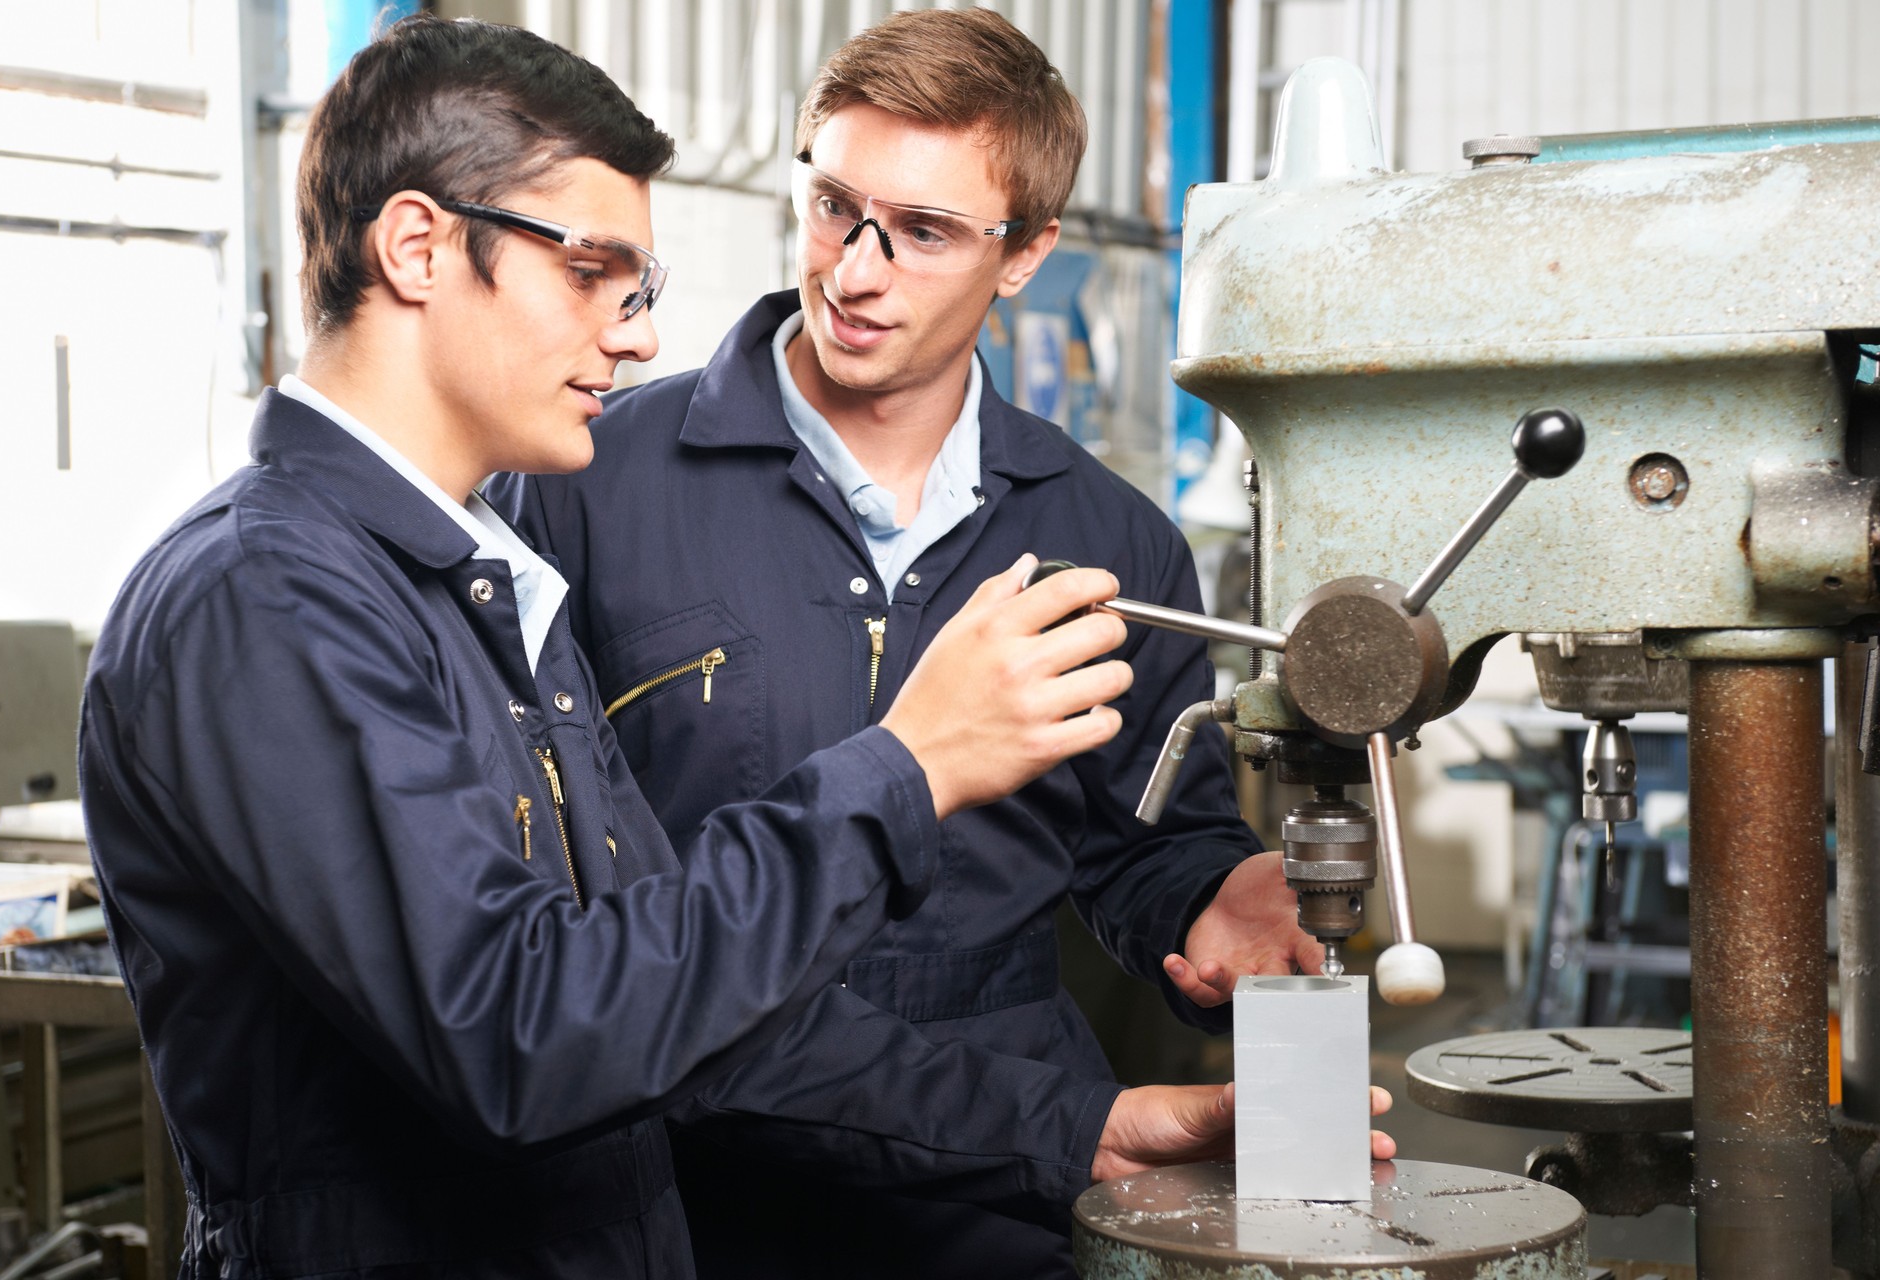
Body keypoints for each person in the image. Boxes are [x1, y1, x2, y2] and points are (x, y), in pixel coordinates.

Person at [77, 16, 1139, 1279]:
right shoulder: (265, 599)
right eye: (592, 273)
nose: (634, 335)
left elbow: (694, 1017)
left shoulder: (476, 590)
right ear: (417, 245)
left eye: (640, 289)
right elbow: (523, 1031)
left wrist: (1084, 1127)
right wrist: (906, 767)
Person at [493, 9, 1390, 1278]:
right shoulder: (586, 483)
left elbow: (1140, 843)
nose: (856, 272)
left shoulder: (1106, 539)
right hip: (684, 1170)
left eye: (923, 233)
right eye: (831, 207)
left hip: (1002, 1165)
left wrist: (1213, 890)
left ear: (1025, 253)